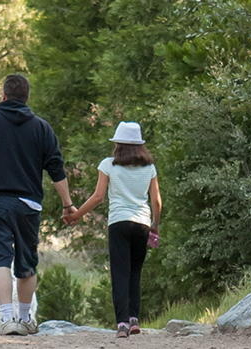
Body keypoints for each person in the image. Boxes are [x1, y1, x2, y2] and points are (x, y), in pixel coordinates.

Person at [0, 74, 75, 336]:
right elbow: (56, 168)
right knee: (27, 261)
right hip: (29, 204)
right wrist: (68, 204)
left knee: (0, 258)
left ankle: (5, 320)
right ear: (27, 98)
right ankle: (25, 320)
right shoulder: (42, 127)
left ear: (3, 96)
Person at [63, 121, 161, 338]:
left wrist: (77, 215)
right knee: (135, 272)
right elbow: (157, 201)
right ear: (139, 146)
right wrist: (155, 226)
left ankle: (122, 324)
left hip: (118, 223)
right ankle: (135, 319)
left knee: (120, 273)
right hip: (142, 223)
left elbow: (98, 197)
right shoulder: (149, 167)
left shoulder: (108, 164)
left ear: (117, 143)